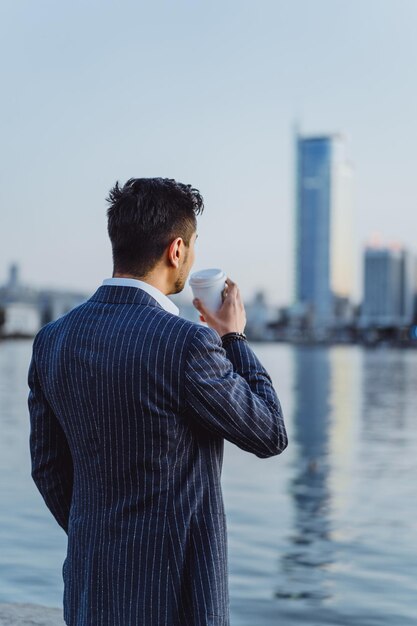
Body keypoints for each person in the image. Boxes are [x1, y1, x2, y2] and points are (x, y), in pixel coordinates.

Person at [27, 177, 288, 626]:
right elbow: (269, 432)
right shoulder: (186, 344)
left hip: (91, 591)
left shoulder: (52, 340)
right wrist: (233, 338)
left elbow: (48, 466)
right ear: (177, 250)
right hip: (175, 603)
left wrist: (101, 541)